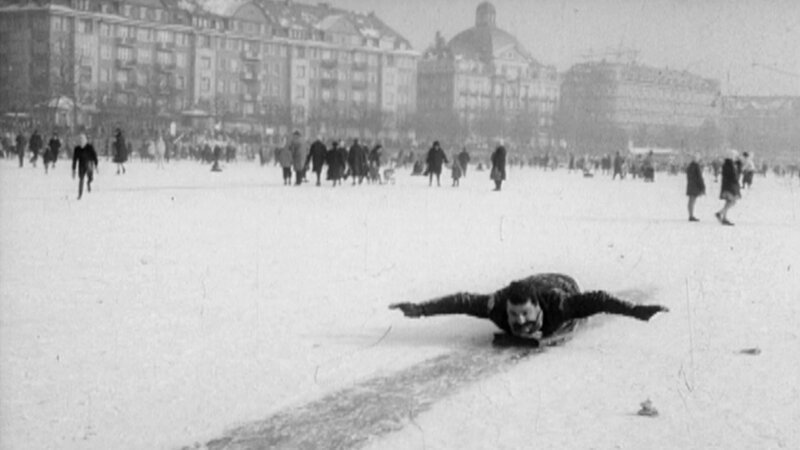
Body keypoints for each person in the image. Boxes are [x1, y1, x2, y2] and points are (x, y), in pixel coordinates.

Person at [389, 273, 669, 346]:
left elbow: (600, 300)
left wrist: (637, 311)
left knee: (578, 313)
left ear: (537, 310)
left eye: (525, 315)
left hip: (562, 283)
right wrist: (420, 309)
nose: (518, 321)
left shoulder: (561, 306)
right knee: (503, 301)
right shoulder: (496, 308)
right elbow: (461, 301)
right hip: (531, 284)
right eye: (513, 315)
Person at [715, 151, 741, 226]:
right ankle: (721, 213)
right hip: (730, 187)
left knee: (728, 202)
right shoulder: (731, 165)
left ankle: (724, 217)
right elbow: (734, 176)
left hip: (726, 186)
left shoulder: (726, 164)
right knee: (732, 201)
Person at [72, 133, 99, 200]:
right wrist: (73, 169)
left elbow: (94, 156)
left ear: (85, 140)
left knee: (90, 178)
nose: (81, 142)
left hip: (89, 163)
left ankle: (88, 183)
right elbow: (75, 159)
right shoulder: (77, 149)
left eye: (83, 140)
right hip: (81, 165)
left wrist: (96, 165)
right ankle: (80, 194)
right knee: (81, 179)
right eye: (80, 141)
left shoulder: (89, 147)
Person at [685, 154, 705, 222]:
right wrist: (702, 186)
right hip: (695, 185)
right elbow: (699, 177)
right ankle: (691, 216)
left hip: (690, 185)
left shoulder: (690, 166)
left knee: (690, 200)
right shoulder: (696, 166)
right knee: (693, 201)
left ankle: (690, 215)